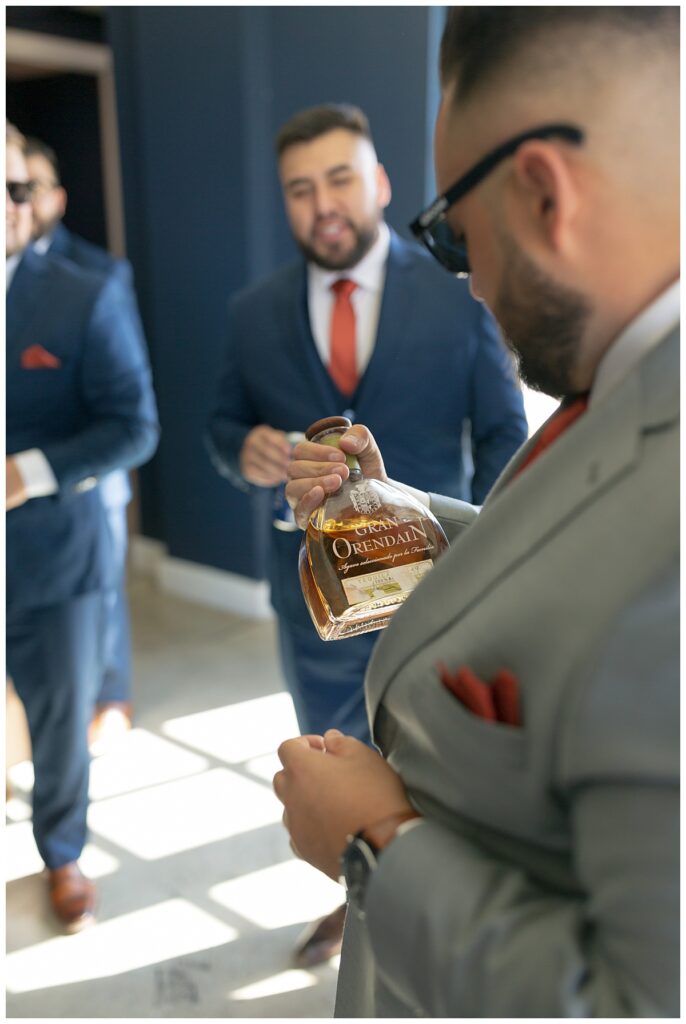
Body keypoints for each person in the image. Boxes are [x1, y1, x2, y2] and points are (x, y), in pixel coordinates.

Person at [274, 7, 678, 1016]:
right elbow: (574, 551)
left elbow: (635, 1001)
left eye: (453, 233)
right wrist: (393, 504)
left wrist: (375, 843)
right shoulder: (625, 389)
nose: (465, 277)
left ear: (540, 192)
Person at [206, 102, 527, 965]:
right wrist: (244, 450)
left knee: (437, 763)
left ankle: (424, 909)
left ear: (379, 183)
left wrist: (492, 550)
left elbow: (504, 438)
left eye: (341, 179)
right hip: (313, 599)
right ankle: (355, 894)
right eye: (301, 190)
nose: (324, 204)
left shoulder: (466, 295)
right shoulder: (252, 311)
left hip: (440, 593)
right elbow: (222, 425)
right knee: (331, 754)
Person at [6, 123, 159, 931]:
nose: (7, 206)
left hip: (55, 557)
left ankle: (61, 853)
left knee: (62, 720)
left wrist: (22, 474)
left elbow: (135, 427)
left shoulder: (84, 292)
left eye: (16, 188)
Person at [25, 136, 138, 754]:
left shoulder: (100, 273)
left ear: (57, 198)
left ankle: (113, 694)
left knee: (106, 584)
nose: (21, 200)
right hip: (27, 487)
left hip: (94, 466)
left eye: (31, 187)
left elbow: (127, 394)